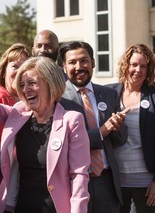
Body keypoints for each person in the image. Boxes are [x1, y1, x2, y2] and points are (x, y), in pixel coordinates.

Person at [0, 56, 90, 213]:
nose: (25, 90)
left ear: (51, 84)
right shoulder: (18, 114)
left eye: (32, 83)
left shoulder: (71, 121)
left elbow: (79, 176)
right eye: (22, 85)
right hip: (20, 206)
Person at [59, 41, 129, 213]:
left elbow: (120, 140)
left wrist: (117, 126)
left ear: (93, 62)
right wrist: (102, 131)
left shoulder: (108, 94)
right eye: (72, 62)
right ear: (64, 66)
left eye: (84, 61)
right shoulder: (58, 99)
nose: (79, 66)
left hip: (106, 181)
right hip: (74, 183)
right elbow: (66, 142)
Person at [107, 44, 155, 213]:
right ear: (125, 66)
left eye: (143, 66)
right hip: (115, 183)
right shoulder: (110, 93)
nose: (138, 70)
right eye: (134, 65)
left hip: (146, 184)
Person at [0, 43, 31, 139]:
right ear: (3, 72)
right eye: (15, 66)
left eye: (25, 67)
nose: (20, 72)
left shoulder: (31, 100)